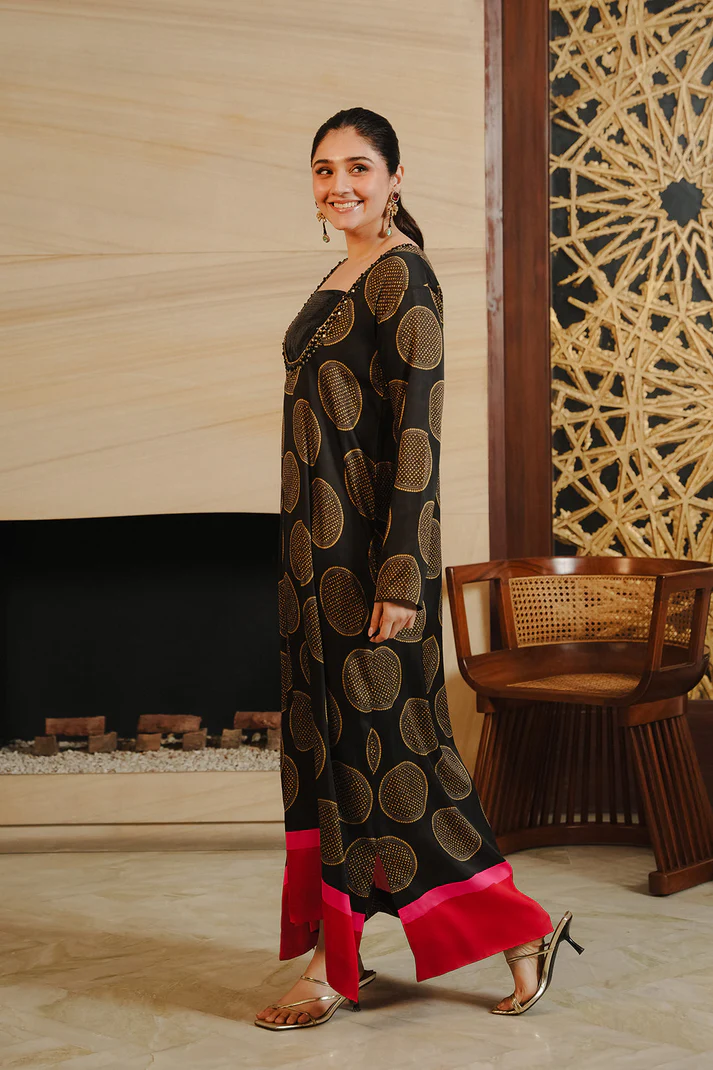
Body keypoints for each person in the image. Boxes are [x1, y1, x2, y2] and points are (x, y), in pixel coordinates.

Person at [255, 107, 583, 1031]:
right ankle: (344, 949)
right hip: (312, 567)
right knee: (337, 759)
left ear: (395, 178)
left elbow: (417, 436)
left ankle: (507, 929)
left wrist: (402, 577)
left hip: (368, 567)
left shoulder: (406, 276)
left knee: (397, 758)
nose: (339, 185)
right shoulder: (340, 273)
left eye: (358, 167)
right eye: (324, 169)